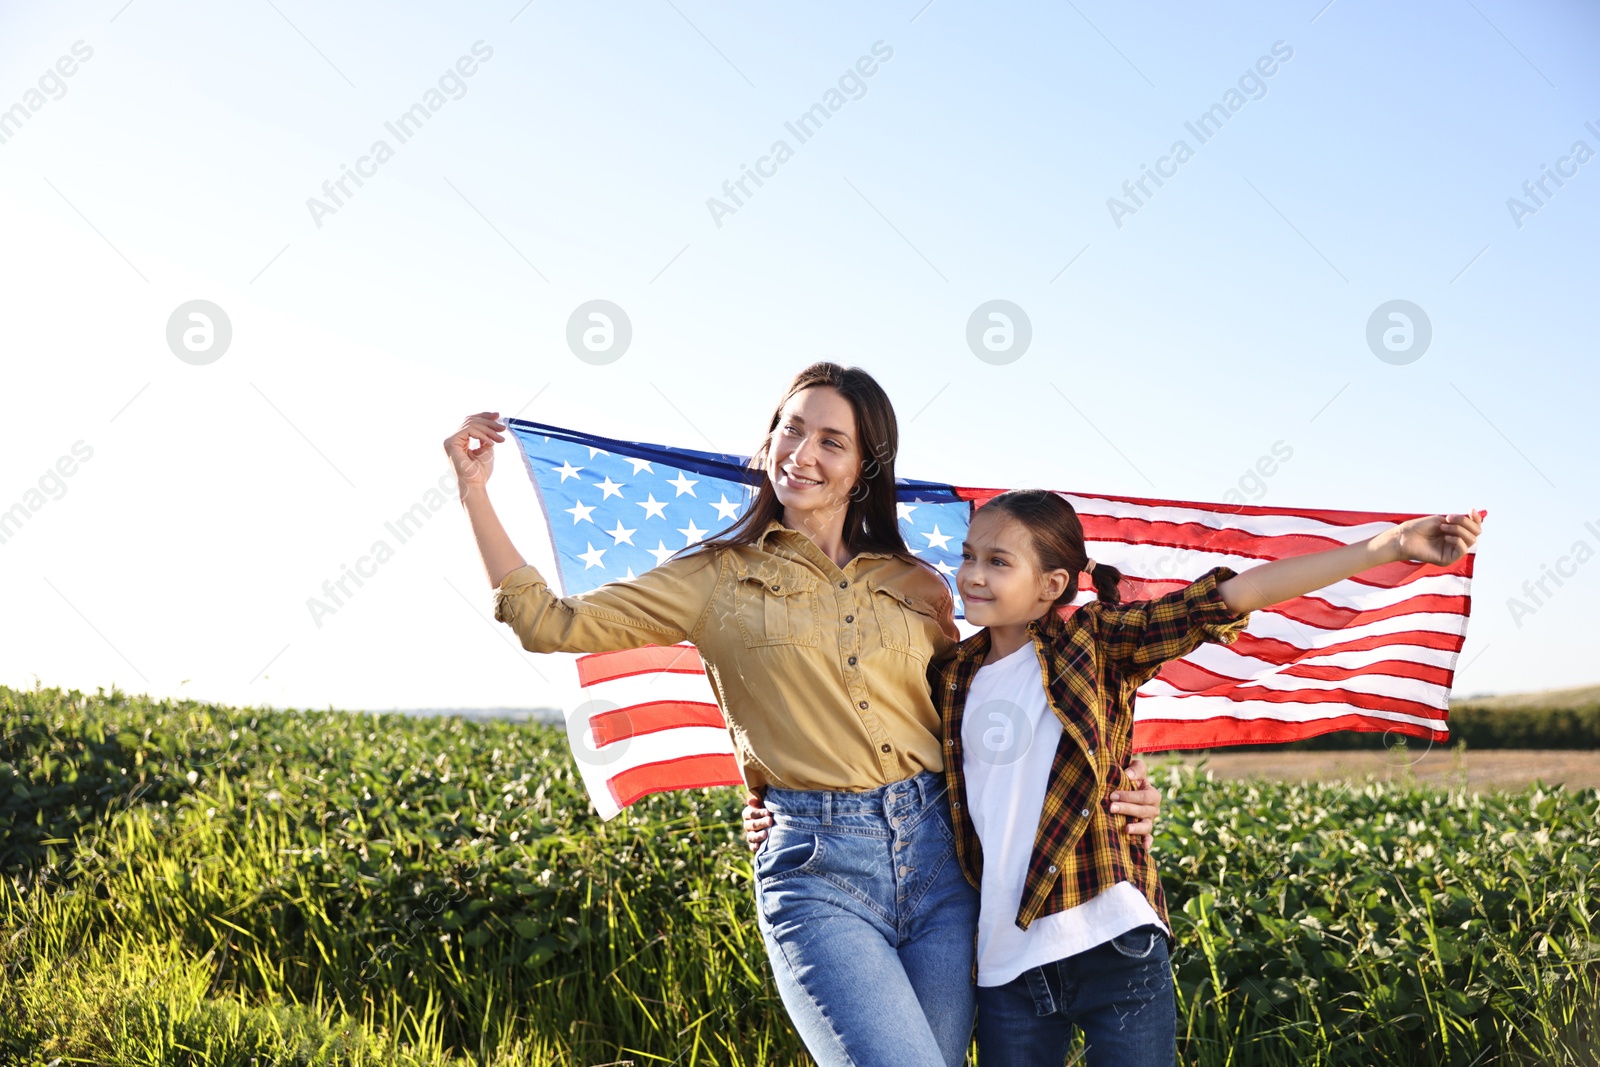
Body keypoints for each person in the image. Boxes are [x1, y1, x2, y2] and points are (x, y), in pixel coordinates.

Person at [444, 362, 1165, 1067]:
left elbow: (1000, 704)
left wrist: (1117, 782)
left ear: (863, 467)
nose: (803, 453)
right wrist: (475, 492)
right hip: (818, 868)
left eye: (831, 441)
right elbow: (549, 622)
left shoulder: (918, 584)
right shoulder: (712, 576)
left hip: (943, 866)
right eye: (791, 430)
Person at [747, 490, 1484, 1065]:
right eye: (970, 554)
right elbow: (853, 729)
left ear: (1052, 585)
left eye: (999, 561)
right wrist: (771, 801)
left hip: (1112, 940)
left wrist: (1386, 545)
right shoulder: (950, 673)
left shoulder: (1093, 642)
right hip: (1006, 966)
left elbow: (1226, 599)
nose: (972, 572)